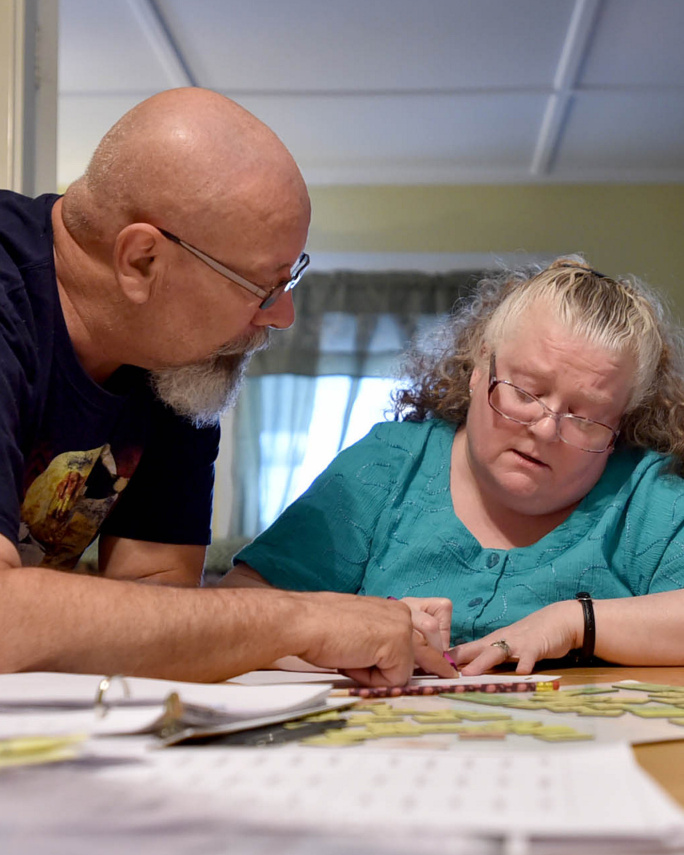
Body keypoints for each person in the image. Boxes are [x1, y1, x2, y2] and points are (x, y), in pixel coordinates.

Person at [0, 86, 452, 686]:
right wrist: (297, 619)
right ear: (142, 261)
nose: (283, 316)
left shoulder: (179, 363)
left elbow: (159, 602)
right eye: (263, 286)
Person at [226, 256, 684, 675]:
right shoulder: (388, 464)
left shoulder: (648, 495)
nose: (546, 430)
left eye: (586, 417)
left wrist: (574, 621)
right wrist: (346, 626)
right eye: (525, 392)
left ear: (620, 424)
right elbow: (234, 609)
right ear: (480, 366)